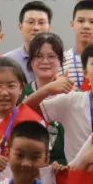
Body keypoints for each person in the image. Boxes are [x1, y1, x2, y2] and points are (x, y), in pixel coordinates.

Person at [27, 40, 93, 162]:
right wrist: (47, 89)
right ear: (85, 72)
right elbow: (25, 110)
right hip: (77, 172)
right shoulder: (71, 101)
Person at [23, 33, 69, 166]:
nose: (45, 61)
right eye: (39, 56)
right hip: (28, 166)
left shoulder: (73, 95)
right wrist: (47, 89)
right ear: (31, 61)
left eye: (51, 56)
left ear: (61, 60)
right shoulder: (20, 94)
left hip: (66, 168)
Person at [4, 1, 53, 84]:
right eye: (31, 22)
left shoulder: (60, 61)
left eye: (41, 23)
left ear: (49, 28)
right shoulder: (6, 61)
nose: (36, 27)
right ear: (20, 27)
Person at [62, 0, 93, 88]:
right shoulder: (60, 60)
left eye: (92, 22)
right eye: (81, 21)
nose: (86, 26)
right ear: (72, 24)